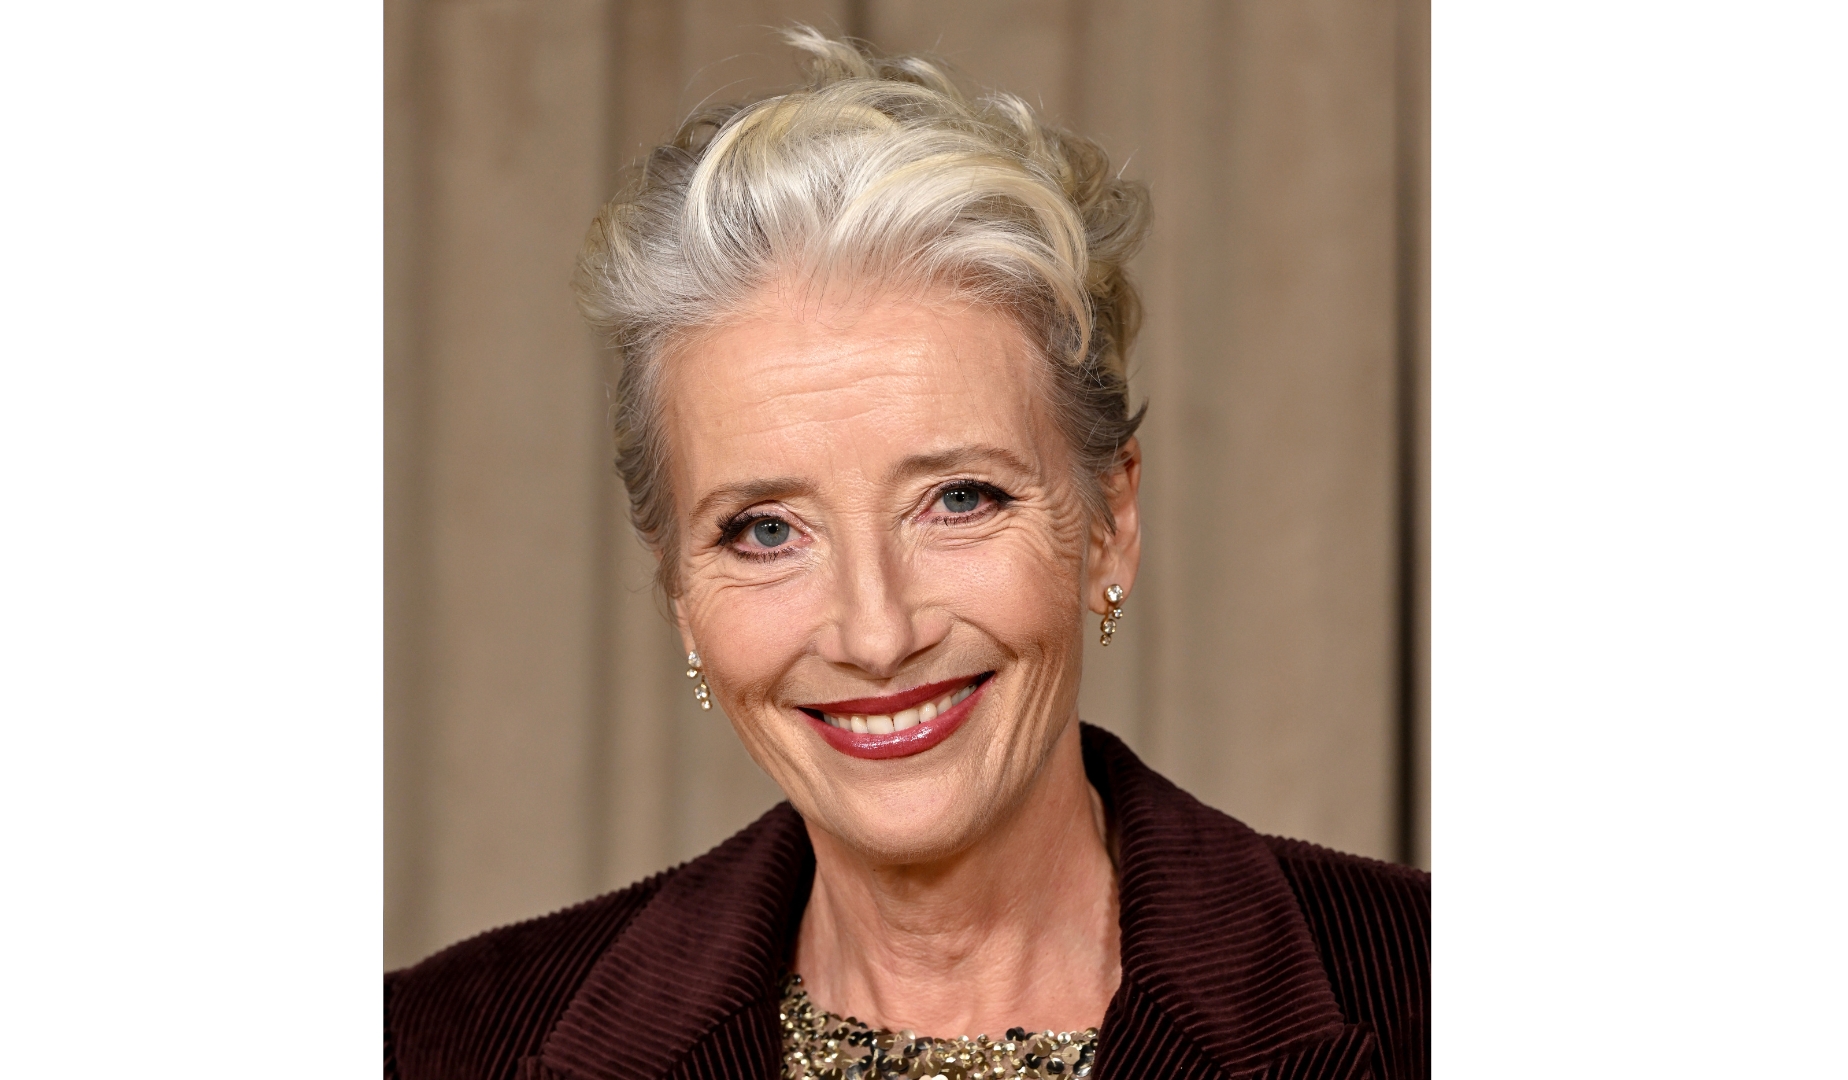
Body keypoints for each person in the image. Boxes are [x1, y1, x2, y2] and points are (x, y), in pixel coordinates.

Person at [386, 28, 1427, 1080]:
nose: (877, 634)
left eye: (959, 500)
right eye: (766, 530)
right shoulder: (434, 1046)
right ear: (679, 592)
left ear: (1109, 521)